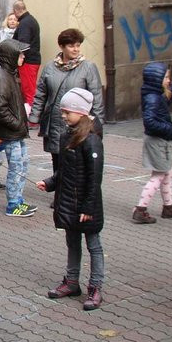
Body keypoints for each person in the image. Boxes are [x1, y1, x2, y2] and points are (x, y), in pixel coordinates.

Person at [37, 88, 105, 310]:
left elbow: (95, 178)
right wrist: (50, 183)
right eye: (63, 112)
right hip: (68, 203)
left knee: (93, 245)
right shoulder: (68, 134)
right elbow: (64, 170)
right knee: (72, 242)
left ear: (81, 112)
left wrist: (88, 206)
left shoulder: (91, 139)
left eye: (67, 112)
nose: (63, 116)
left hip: (86, 205)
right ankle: (72, 282)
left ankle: (95, 287)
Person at [29, 28, 104, 174]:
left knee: (76, 162)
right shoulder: (50, 67)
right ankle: (59, 193)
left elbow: (96, 98)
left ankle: (75, 194)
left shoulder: (88, 67)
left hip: (79, 125)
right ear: (62, 47)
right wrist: (34, 117)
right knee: (57, 162)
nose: (76, 49)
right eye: (71, 46)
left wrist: (97, 124)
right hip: (55, 122)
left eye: (78, 45)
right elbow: (41, 94)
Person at [132, 62, 172, 224]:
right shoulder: (152, 98)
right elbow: (149, 121)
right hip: (157, 140)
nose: (168, 80)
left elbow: (165, 103)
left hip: (159, 139)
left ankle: (168, 206)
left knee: (167, 172)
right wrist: (168, 128)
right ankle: (141, 209)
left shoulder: (155, 95)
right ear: (156, 79)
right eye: (165, 77)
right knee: (159, 174)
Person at [0, 39, 36, 217]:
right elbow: (0, 108)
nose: (23, 56)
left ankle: (18, 199)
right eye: (20, 53)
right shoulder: (2, 78)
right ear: (11, 55)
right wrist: (17, 123)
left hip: (17, 132)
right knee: (16, 167)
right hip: (11, 133)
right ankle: (12, 204)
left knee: (23, 164)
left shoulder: (11, 74)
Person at [12, 1, 41, 106]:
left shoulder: (24, 23)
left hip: (28, 62)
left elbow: (23, 44)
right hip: (32, 60)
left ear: (15, 11)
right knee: (29, 89)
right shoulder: (31, 20)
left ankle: (31, 119)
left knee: (29, 92)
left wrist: (19, 58)